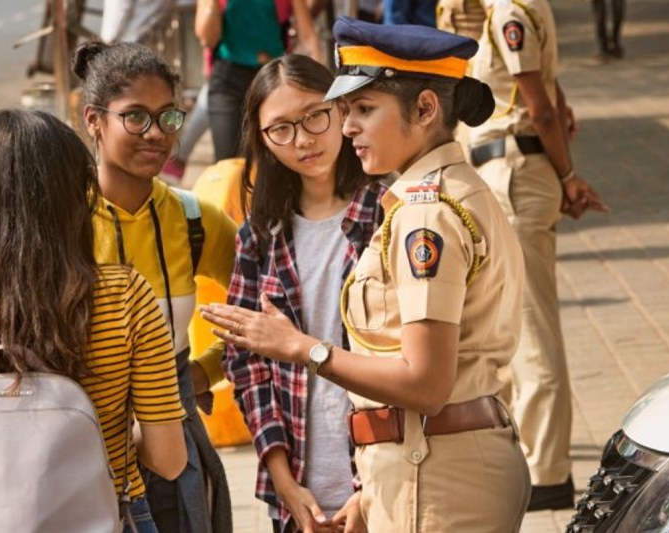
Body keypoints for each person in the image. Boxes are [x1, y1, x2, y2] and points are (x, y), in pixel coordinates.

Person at [203, 17, 531, 532]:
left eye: (360, 109)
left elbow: (424, 384)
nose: (346, 127)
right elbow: (248, 365)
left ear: (424, 109)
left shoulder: (421, 213)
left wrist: (300, 347)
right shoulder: (442, 195)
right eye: (281, 129)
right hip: (418, 467)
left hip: (434, 472)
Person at [0, 109, 188, 532]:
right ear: (75, 197)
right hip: (105, 516)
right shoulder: (125, 297)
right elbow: (169, 461)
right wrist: (99, 438)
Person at [74, 41, 237, 533]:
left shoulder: (195, 219)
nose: (156, 135)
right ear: (94, 121)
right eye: (136, 118)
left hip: (174, 444)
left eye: (168, 118)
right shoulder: (64, 223)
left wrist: (206, 373)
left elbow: (271, 310)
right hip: (83, 450)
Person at [224, 54, 386, 533]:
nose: (302, 140)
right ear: (262, 139)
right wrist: (285, 486)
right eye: (281, 129)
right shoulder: (259, 234)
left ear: (342, 110)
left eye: (315, 116)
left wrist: (370, 490)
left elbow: (409, 362)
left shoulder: (390, 216)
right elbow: (246, 362)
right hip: (299, 498)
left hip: (384, 482)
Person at [469, 0, 608, 511]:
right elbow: (547, 92)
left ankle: (548, 470)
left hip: (516, 173)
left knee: (531, 327)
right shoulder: (513, 7)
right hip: (511, 172)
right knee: (514, 324)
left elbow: (544, 109)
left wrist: (568, 177)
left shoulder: (509, 8)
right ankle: (533, 460)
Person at [195, 0, 322, 161]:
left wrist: (321, 91)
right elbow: (207, 39)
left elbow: (308, 37)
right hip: (229, 79)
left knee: (276, 160)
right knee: (229, 164)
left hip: (271, 81)